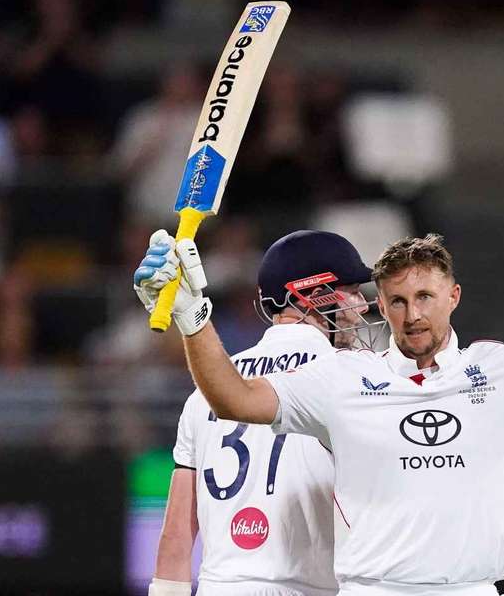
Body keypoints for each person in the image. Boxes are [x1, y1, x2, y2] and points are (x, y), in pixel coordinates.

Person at [134, 116, 504, 596]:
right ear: (382, 304)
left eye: (426, 297)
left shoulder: (501, 369)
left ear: (454, 297)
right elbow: (232, 398)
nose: (413, 314)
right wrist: (193, 318)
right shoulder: (341, 377)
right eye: (398, 301)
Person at [135, 230, 384, 596]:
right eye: (353, 291)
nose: (363, 306)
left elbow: (176, 534)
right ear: (315, 296)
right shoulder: (351, 378)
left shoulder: (205, 389)